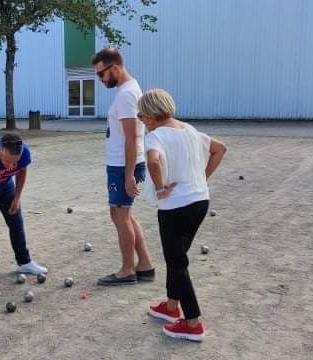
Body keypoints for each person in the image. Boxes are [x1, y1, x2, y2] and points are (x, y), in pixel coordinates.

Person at [138, 89, 226, 341]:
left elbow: (153, 162)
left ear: (151, 115)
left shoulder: (156, 136)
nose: (141, 121)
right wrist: (202, 177)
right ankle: (170, 306)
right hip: (200, 201)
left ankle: (192, 322)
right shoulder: (189, 129)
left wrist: (160, 187)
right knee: (177, 256)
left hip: (175, 207)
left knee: (177, 262)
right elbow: (220, 149)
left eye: (141, 115)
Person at [91, 48, 155, 286]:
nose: (100, 80)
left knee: (120, 216)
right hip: (121, 164)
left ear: (115, 68)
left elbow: (132, 137)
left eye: (101, 74)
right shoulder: (127, 91)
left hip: (123, 166)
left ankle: (127, 270)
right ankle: (145, 265)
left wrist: (128, 175)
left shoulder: (127, 95)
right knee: (124, 215)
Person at [0, 133, 47, 297]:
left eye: (14, 162)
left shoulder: (23, 152)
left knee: (16, 223)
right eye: (6, 162)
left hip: (5, 185)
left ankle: (24, 262)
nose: (10, 166)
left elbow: (21, 171)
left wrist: (17, 197)